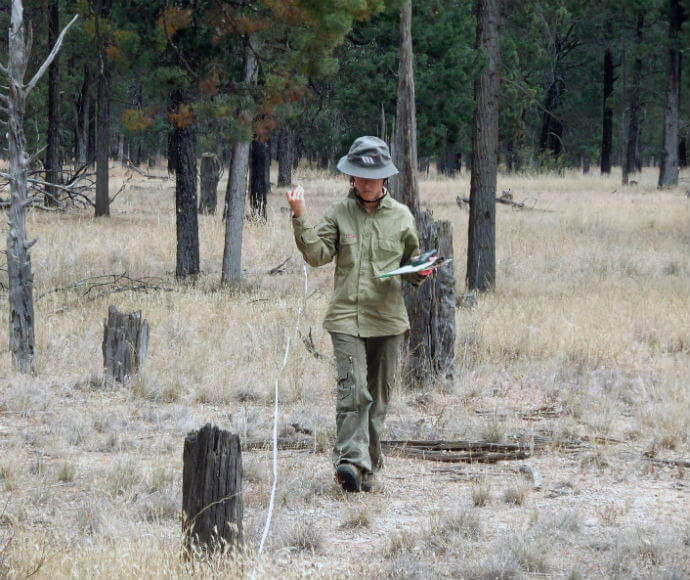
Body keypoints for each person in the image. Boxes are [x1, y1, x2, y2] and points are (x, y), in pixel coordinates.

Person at [286, 136, 429, 493]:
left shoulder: (401, 217)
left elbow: (413, 266)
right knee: (353, 392)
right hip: (346, 318)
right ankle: (349, 460)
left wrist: (422, 271)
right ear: (351, 177)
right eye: (359, 177)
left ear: (385, 179)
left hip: (388, 320)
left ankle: (366, 470)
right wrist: (300, 216)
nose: (366, 183)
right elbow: (318, 255)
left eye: (373, 177)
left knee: (378, 398)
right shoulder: (338, 213)